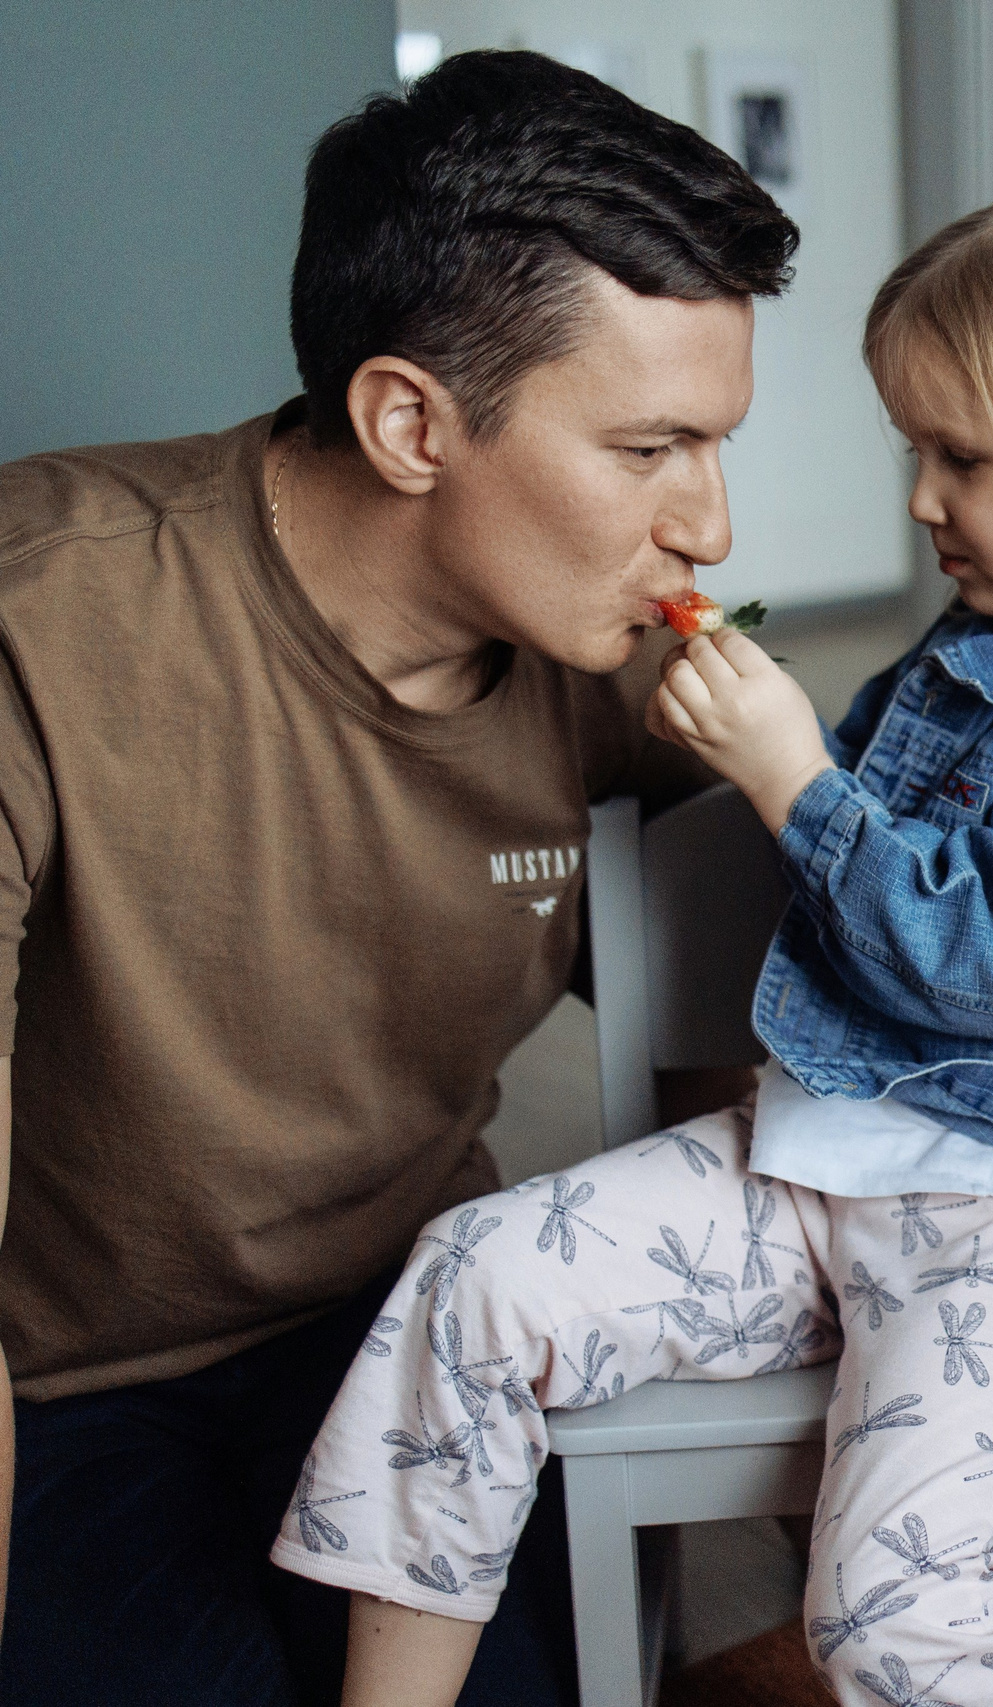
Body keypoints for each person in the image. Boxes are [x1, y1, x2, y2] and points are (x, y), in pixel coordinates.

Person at [274, 176, 993, 1707]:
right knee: (473, 1277)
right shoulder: (971, 649)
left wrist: (794, 778)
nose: (921, 496)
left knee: (892, 1609)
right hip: (809, 1164)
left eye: (961, 454)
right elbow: (847, 827)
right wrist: (756, 726)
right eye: (916, 448)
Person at [0, 51, 793, 1705]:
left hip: (419, 1331)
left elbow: (738, 1036)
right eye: (650, 448)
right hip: (66, 1386)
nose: (709, 528)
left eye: (715, 446)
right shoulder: (40, 621)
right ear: (408, 420)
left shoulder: (628, 666)